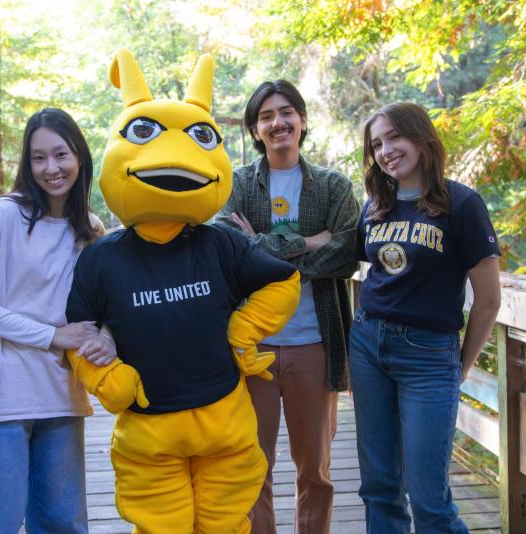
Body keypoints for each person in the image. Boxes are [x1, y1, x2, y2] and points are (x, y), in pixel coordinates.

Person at [63, 49, 301, 534]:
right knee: (161, 525)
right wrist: (108, 380)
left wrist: (244, 328)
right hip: (149, 432)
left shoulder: (221, 243)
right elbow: (78, 333)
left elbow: (283, 279)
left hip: (224, 424)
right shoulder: (102, 258)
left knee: (225, 522)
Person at [0, 108, 115, 534]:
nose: (51, 168)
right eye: (39, 158)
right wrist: (52, 335)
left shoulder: (90, 230)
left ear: (80, 158)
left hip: (61, 393)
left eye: (61, 155)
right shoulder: (5, 215)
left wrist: (106, 335)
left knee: (63, 525)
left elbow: (108, 302)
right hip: (4, 401)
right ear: (27, 163)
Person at [350, 101, 501, 534]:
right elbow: (364, 261)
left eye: (394, 137)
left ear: (421, 137)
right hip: (367, 343)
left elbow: (488, 300)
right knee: (379, 487)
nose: (385, 150)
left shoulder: (462, 203)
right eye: (377, 144)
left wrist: (459, 368)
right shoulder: (376, 204)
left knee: (430, 499)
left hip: (428, 356)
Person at [216, 79, 360, 534]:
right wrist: (308, 241)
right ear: (256, 130)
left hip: (316, 343)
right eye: (266, 116)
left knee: (314, 469)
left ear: (301, 120)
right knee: (251, 465)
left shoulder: (334, 186)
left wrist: (264, 250)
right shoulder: (236, 184)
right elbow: (230, 252)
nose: (277, 122)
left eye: (286, 112)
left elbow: (347, 252)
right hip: (252, 348)